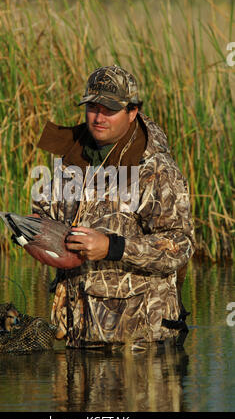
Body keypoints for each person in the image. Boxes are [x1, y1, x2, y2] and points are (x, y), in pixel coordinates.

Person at [31, 65, 195, 350]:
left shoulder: (156, 171)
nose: (98, 117)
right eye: (92, 107)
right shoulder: (73, 159)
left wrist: (113, 247)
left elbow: (180, 245)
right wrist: (32, 230)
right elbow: (48, 215)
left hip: (141, 343)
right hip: (79, 335)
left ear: (132, 112)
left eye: (109, 109)